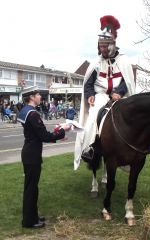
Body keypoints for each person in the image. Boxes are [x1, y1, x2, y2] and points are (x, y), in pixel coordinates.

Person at [74, 15, 136, 170]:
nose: (102, 49)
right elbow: (88, 84)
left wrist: (119, 92)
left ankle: (130, 147)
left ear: (113, 45)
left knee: (130, 119)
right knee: (92, 119)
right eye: (100, 46)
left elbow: (126, 81)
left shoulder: (123, 61)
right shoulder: (95, 63)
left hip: (117, 97)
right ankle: (90, 149)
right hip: (100, 96)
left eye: (105, 46)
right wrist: (90, 96)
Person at [17, 88, 71, 228]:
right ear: (32, 97)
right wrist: (62, 130)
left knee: (31, 187)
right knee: (31, 189)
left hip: (29, 152)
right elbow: (44, 136)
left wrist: (58, 134)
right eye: (38, 95)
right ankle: (29, 221)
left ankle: (33, 216)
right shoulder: (33, 114)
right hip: (32, 155)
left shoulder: (26, 110)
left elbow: (38, 133)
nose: (40, 96)